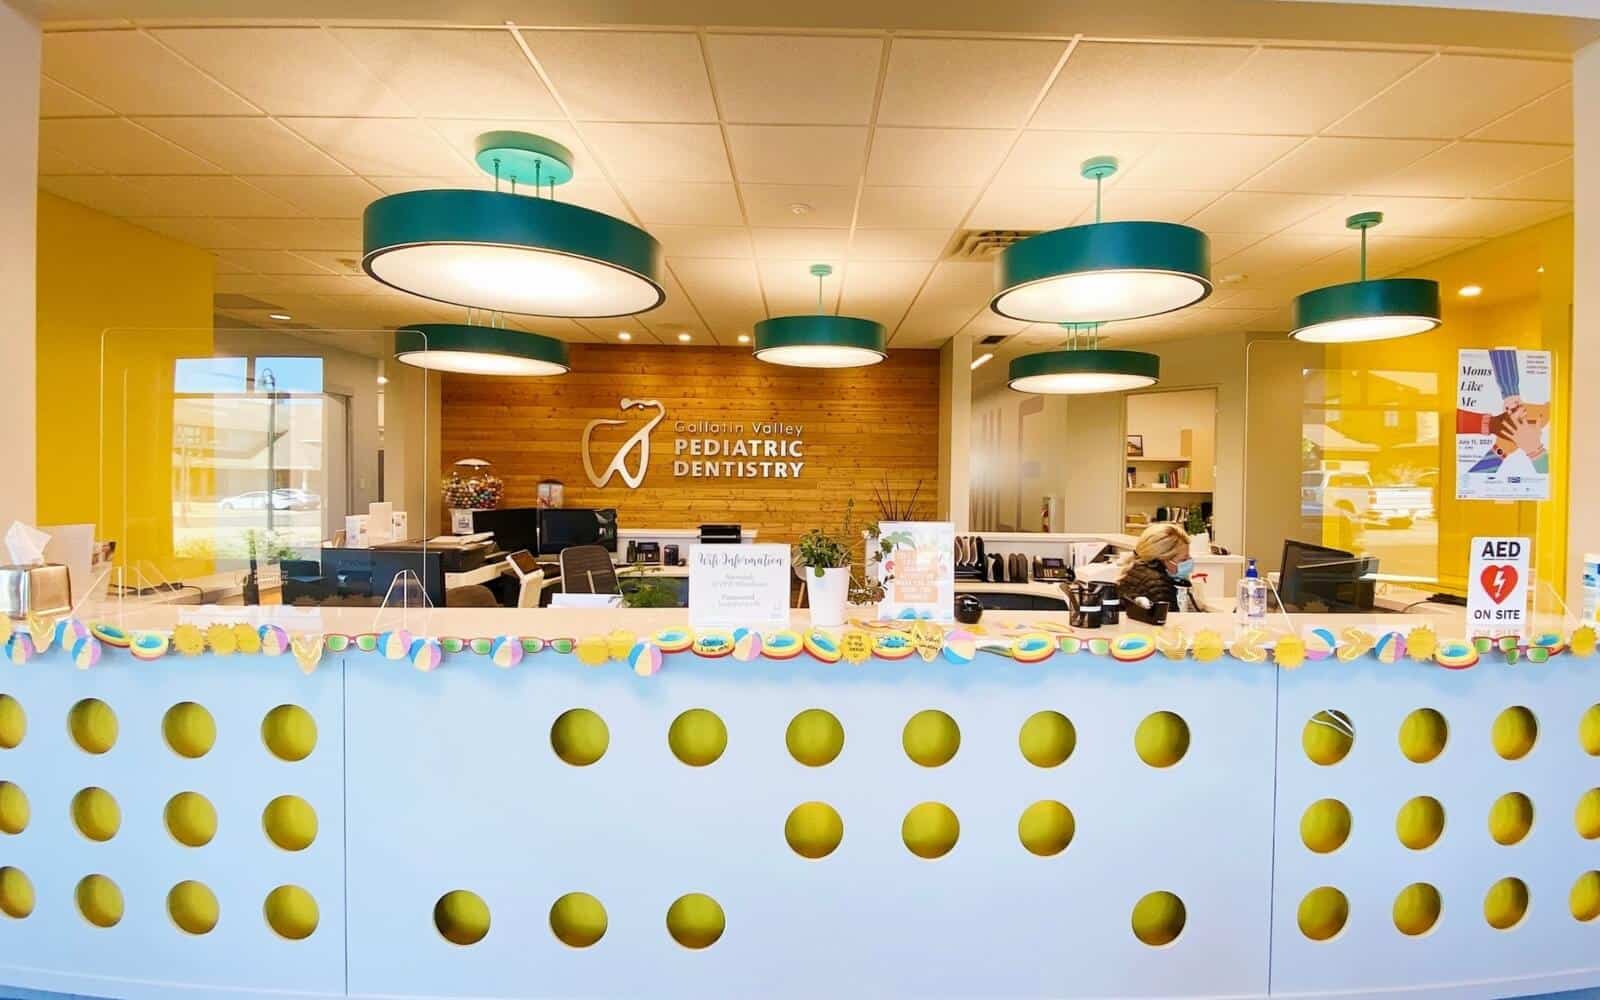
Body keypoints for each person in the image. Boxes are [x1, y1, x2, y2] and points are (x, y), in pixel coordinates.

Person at [1117, 523, 1205, 622]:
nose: (1190, 561)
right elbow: (1171, 627)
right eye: (1183, 559)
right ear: (1163, 558)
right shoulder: (1159, 586)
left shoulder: (1136, 569)